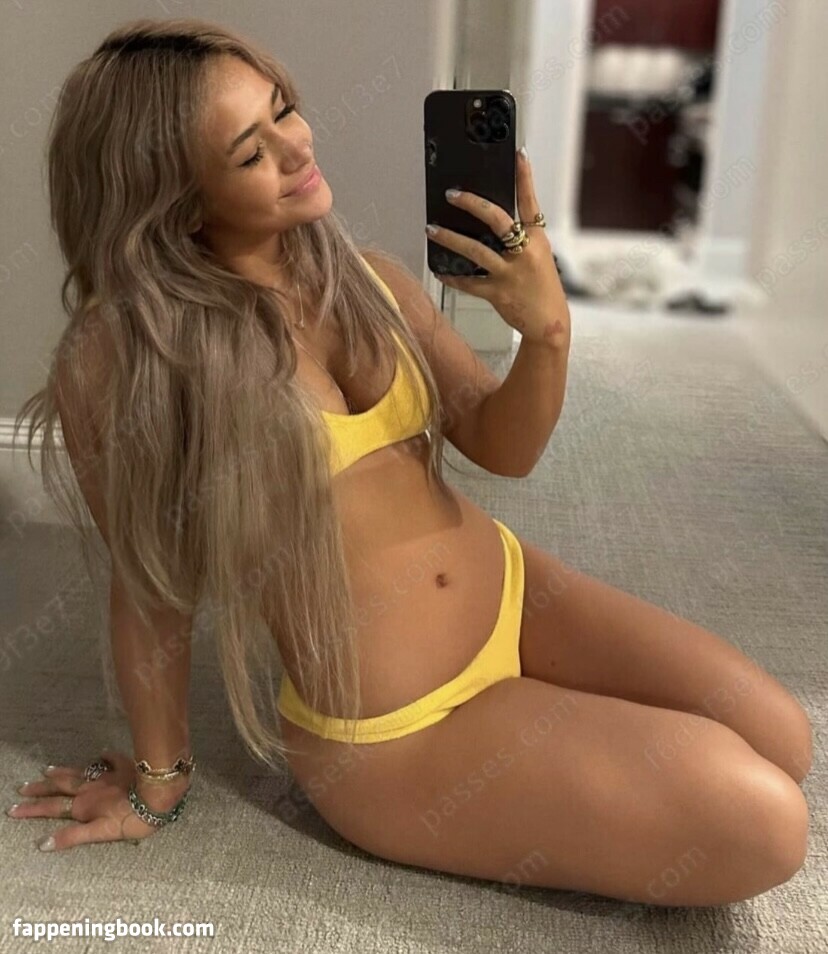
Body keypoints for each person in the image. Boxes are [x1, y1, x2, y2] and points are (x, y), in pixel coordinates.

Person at [11, 17, 812, 908]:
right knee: (766, 822)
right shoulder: (130, 359)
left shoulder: (372, 280)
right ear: (176, 200)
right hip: (401, 729)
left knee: (785, 739)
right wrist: (158, 783)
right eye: (251, 152)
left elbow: (504, 448)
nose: (297, 146)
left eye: (285, 110)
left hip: (514, 594)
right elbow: (150, 588)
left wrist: (547, 331)